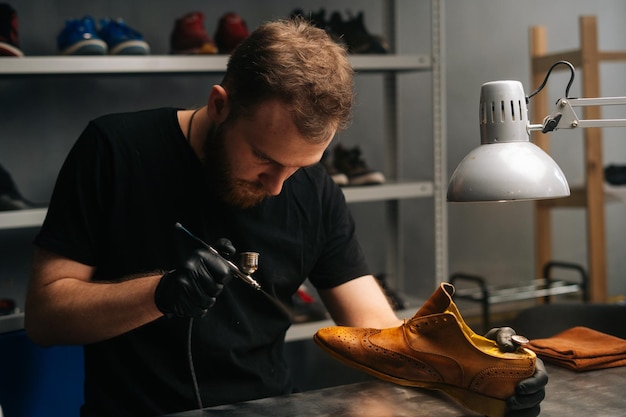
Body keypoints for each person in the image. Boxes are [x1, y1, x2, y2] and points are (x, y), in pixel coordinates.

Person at [24, 18, 546, 417]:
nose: (278, 185)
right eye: (266, 159)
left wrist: (480, 367)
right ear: (220, 105)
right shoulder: (114, 149)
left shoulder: (311, 188)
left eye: (299, 167)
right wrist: (159, 294)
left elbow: (380, 334)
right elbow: (46, 316)